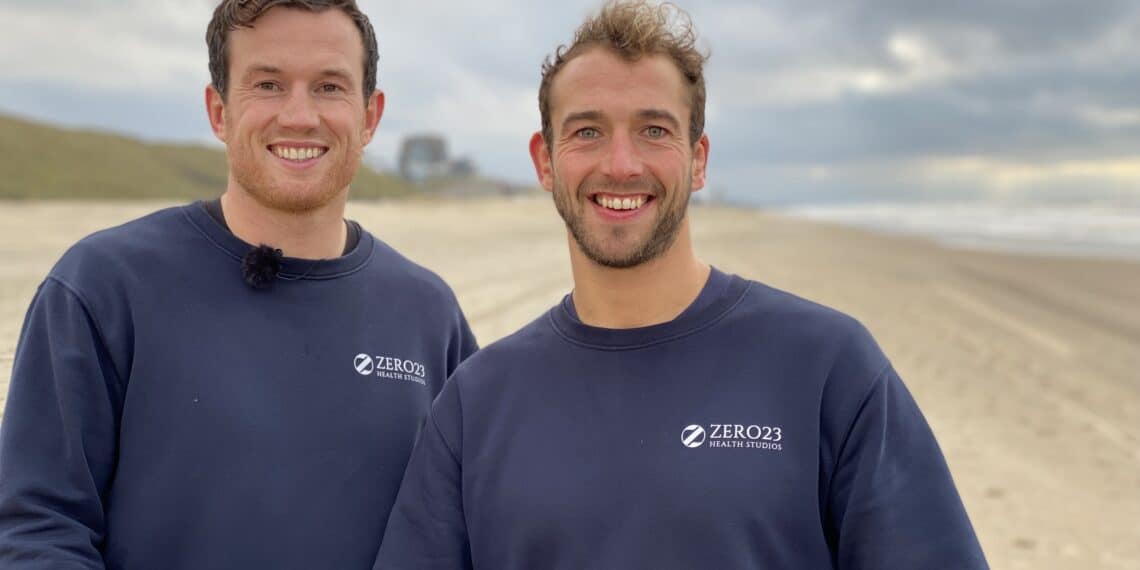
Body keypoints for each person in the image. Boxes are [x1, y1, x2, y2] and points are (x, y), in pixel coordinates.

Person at [375, 1, 988, 568]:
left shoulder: (827, 365)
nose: (621, 163)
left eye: (654, 130)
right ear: (544, 160)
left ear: (697, 159)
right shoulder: (477, 402)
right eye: (587, 131)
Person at [0, 1, 476, 568]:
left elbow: (473, 528)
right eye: (268, 84)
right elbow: (38, 530)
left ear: (370, 116)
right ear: (218, 110)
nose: (300, 116)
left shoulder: (427, 313)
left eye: (329, 87)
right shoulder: (103, 287)